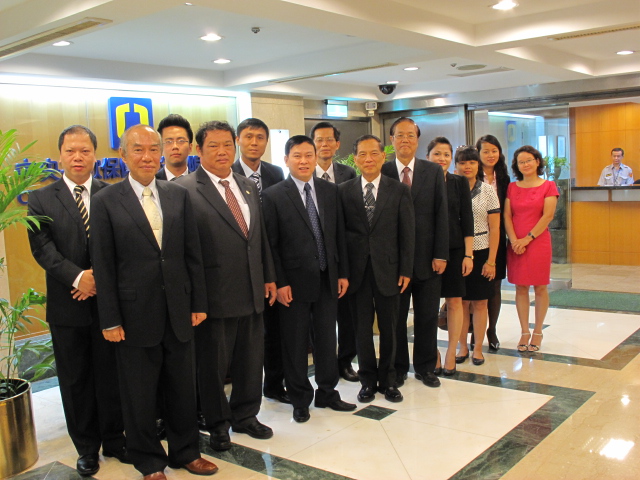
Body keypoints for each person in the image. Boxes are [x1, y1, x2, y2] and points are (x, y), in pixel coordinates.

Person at [91, 125, 218, 480]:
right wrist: (110, 319)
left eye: (153, 149)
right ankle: (149, 461)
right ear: (123, 155)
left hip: (178, 310)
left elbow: (192, 254)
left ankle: (186, 452)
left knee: (181, 388)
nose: (147, 156)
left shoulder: (177, 195)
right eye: (138, 149)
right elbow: (103, 264)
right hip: (133, 315)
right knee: (139, 393)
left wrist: (199, 303)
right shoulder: (105, 201)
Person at [27, 125, 128, 477]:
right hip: (67, 305)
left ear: (95, 156)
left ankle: (115, 439)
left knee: (110, 375)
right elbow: (43, 249)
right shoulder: (40, 198)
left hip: (107, 304)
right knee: (75, 379)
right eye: (71, 151)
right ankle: (86, 448)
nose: (78, 157)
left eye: (85, 150)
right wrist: (78, 277)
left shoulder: (111, 194)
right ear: (60, 156)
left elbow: (121, 247)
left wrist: (97, 280)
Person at [177, 120, 277, 452]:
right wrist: (194, 299)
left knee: (251, 359)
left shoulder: (247, 186)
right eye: (213, 146)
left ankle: (246, 415)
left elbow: (259, 239)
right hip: (213, 296)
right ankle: (218, 424)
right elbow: (183, 252)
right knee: (213, 366)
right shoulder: (184, 190)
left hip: (252, 289)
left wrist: (269, 277)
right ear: (198, 150)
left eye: (226, 145)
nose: (222, 152)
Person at [262, 135, 355, 423]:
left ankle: (328, 391)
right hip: (293, 285)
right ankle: (300, 398)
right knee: (295, 343)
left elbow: (339, 235)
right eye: (297, 156)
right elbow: (271, 244)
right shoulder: (275, 194)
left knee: (328, 340)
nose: (303, 161)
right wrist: (279, 282)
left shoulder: (330, 191)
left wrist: (342, 273)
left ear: (316, 158)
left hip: (328, 279)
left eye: (308, 155)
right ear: (286, 160)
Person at [339, 134, 415, 403]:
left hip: (390, 270)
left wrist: (406, 269)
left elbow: (407, 234)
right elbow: (340, 236)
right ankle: (367, 381)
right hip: (357, 273)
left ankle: (389, 380)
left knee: (391, 328)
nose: (368, 159)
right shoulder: (344, 190)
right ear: (355, 158)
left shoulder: (399, 190)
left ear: (384, 156)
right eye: (362, 154)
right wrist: (342, 273)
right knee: (361, 330)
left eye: (374, 153)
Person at [381, 117, 448, 389]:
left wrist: (440, 254)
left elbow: (441, 214)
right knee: (395, 318)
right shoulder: (382, 171)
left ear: (418, 140)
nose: (405, 140)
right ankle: (398, 368)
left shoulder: (432, 171)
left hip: (427, 260)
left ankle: (425, 367)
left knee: (427, 315)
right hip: (394, 262)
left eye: (410, 135)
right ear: (391, 140)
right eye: (400, 135)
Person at [231, 117, 288, 405]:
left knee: (275, 329)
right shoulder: (226, 173)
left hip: (273, 261)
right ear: (238, 140)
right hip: (240, 268)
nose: (254, 143)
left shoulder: (276, 172)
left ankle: (275, 385)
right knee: (247, 336)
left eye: (260, 138)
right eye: (249, 137)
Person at [310, 121, 359, 383]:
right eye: (319, 140)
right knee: (320, 320)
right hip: (315, 259)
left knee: (346, 314)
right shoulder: (303, 173)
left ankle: (345, 361)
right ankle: (323, 364)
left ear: (337, 144)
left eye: (329, 140)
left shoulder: (348, 175)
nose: (324, 144)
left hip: (342, 256)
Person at [505, 145, 559, 353]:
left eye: (529, 160)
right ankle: (524, 331)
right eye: (521, 162)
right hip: (515, 243)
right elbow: (507, 216)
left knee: (540, 286)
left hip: (537, 243)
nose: (525, 164)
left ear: (537, 161)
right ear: (516, 166)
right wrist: (514, 240)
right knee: (520, 287)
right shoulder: (512, 187)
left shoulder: (548, 186)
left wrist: (526, 239)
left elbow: (548, 216)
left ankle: (537, 331)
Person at [427, 137, 473, 374]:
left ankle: (450, 351)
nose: (442, 159)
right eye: (437, 154)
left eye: (446, 154)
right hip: (427, 252)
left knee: (455, 302)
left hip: (455, 251)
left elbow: (467, 220)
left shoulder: (458, 182)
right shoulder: (421, 181)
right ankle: (432, 352)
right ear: (428, 157)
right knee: (429, 305)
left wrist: (469, 255)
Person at [455, 146, 500, 366]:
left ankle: (478, 348)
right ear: (456, 166)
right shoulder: (451, 188)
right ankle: (462, 346)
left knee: (480, 303)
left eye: (471, 162)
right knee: (461, 303)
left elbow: (495, 229)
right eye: (463, 162)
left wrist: (492, 261)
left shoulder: (488, 191)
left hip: (482, 251)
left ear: (478, 165)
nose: (467, 166)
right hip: (458, 252)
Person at [475, 135, 510, 351]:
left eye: (494, 150)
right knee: (475, 288)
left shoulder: (504, 178)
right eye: (486, 151)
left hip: (497, 238)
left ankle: (492, 329)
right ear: (478, 153)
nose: (490, 155)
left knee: (495, 285)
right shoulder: (470, 175)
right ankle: (474, 330)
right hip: (476, 238)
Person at [156, 114, 192, 181]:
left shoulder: (202, 184)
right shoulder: (151, 182)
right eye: (169, 142)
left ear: (190, 147)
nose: (175, 146)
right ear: (160, 148)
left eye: (181, 141)